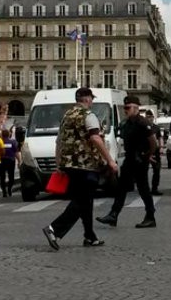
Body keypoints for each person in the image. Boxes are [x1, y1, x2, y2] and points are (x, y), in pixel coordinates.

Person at [45, 88, 117, 249]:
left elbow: (59, 141)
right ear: (87, 99)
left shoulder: (66, 116)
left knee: (86, 200)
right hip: (86, 165)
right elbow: (95, 138)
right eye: (91, 99)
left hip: (69, 164)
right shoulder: (88, 116)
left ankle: (90, 236)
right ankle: (54, 229)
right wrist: (110, 160)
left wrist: (59, 164)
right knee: (82, 200)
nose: (92, 102)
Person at [98, 96, 157, 228]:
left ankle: (150, 216)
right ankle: (113, 215)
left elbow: (153, 142)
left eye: (128, 107)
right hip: (129, 159)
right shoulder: (127, 123)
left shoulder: (143, 122)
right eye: (125, 108)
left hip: (140, 160)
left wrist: (147, 156)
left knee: (143, 189)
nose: (125, 110)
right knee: (122, 188)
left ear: (136, 108)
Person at [144, 109, 164, 196]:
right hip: (145, 151)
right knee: (144, 171)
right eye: (148, 117)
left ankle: (154, 188)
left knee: (157, 171)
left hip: (155, 152)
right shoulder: (143, 127)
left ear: (153, 117)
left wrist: (161, 147)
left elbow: (160, 138)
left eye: (151, 117)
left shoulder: (156, 128)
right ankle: (145, 189)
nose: (150, 119)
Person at [1, 127, 19, 199]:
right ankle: (9, 188)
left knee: (2, 177)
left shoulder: (0, 142)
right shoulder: (13, 142)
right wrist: (19, 160)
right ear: (9, 135)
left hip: (2, 160)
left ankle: (4, 191)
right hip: (11, 160)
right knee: (11, 176)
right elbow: (16, 152)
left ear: (2, 135)